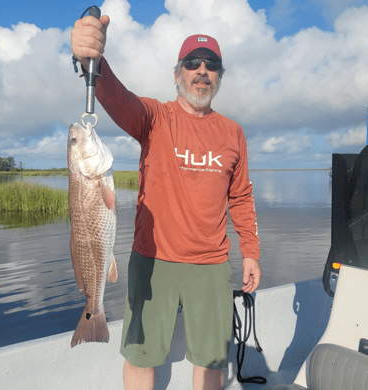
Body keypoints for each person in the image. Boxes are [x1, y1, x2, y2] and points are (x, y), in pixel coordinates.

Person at [71, 13, 261, 390]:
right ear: (178, 74)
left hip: (210, 264)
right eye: (192, 63)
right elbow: (118, 100)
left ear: (219, 76)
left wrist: (251, 252)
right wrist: (91, 59)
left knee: (210, 361)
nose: (202, 71)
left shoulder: (232, 133)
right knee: (141, 357)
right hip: (152, 260)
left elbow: (240, 196)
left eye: (211, 65)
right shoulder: (154, 118)